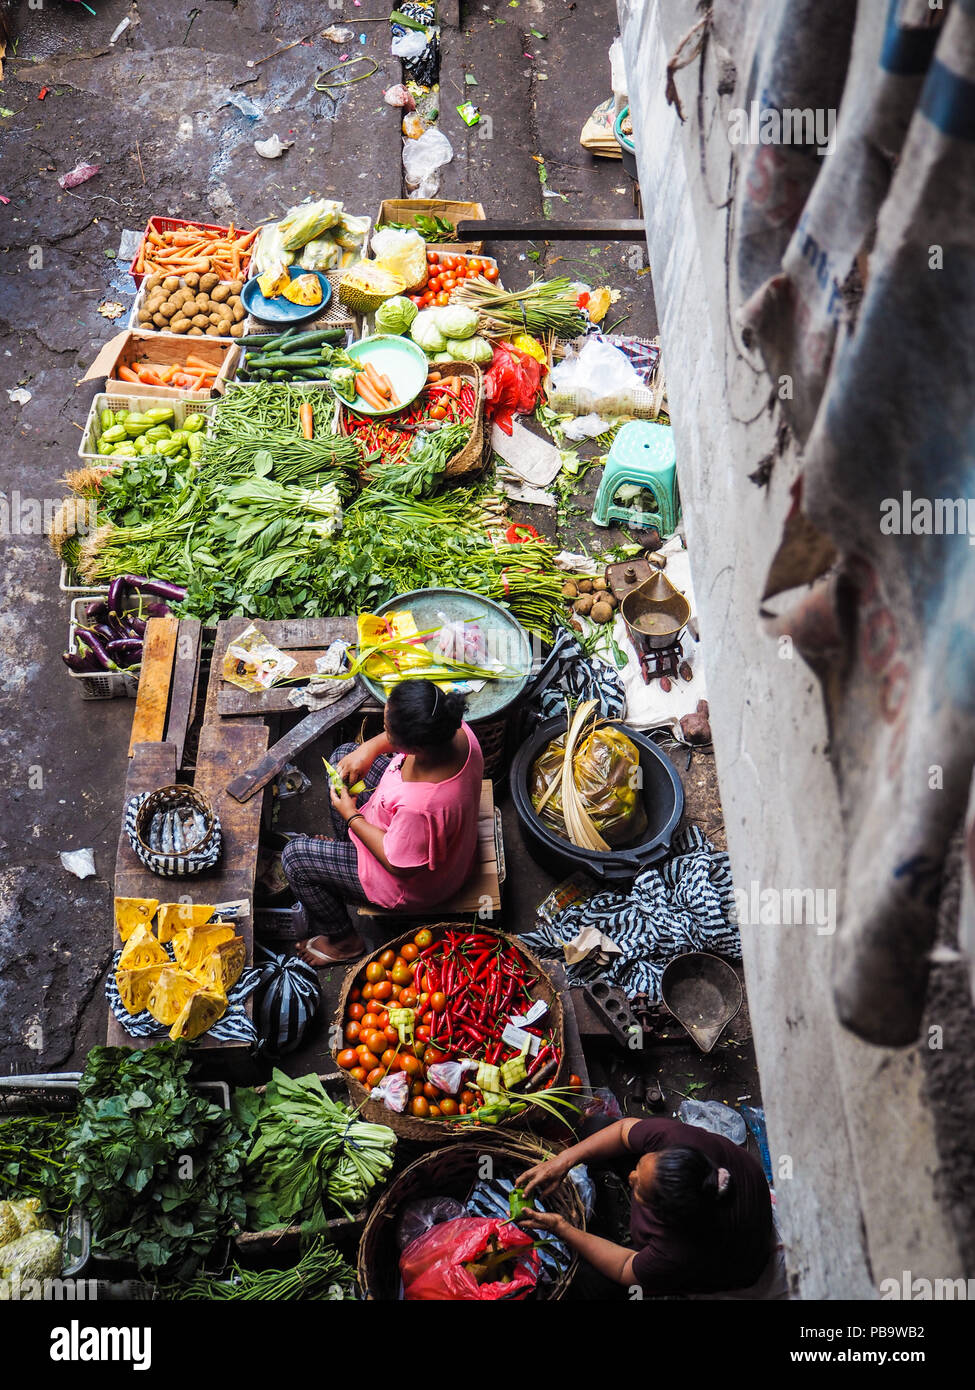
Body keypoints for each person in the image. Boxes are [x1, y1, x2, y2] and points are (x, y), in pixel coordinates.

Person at [281, 680, 484, 965]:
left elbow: (396, 864)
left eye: (388, 731)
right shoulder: (454, 729)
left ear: (413, 748)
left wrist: (351, 816)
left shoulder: (421, 807)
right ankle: (344, 856)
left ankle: (345, 942)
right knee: (344, 759)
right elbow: (398, 740)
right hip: (407, 826)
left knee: (295, 859)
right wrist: (370, 749)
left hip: (408, 880)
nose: (383, 732)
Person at [516, 1116, 778, 1297]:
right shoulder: (680, 1141)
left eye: (639, 1190)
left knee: (586, 1282)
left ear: (665, 1217)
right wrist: (564, 1159)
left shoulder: (680, 1250)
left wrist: (563, 1228)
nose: (631, 1178)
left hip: (739, 1264)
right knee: (596, 1126)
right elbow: (622, 1132)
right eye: (641, 1167)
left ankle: (602, 1227)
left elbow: (624, 1267)